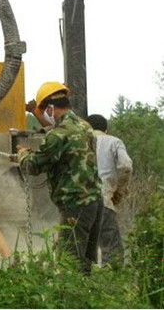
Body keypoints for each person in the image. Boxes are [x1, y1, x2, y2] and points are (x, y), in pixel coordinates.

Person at [16, 81, 103, 275]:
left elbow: (33, 165)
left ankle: (68, 303)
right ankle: (88, 300)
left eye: (43, 111)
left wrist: (22, 154)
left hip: (75, 205)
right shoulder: (85, 127)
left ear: (50, 108)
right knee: (85, 265)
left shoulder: (58, 136)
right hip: (95, 202)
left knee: (68, 265)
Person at [86, 114, 132, 267]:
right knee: (112, 250)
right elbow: (125, 166)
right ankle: (112, 287)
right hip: (104, 201)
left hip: (79, 204)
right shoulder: (113, 142)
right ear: (106, 130)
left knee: (80, 251)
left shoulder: (78, 143)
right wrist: (118, 190)